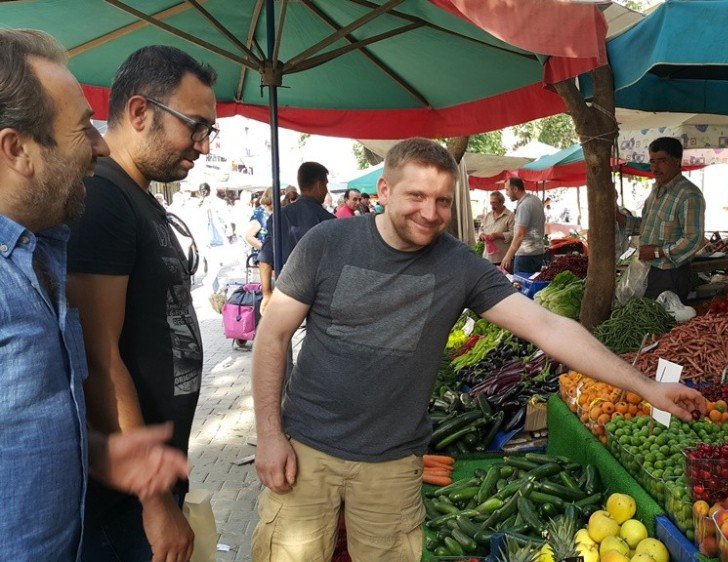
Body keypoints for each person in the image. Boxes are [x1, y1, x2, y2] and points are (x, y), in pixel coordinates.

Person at [250, 138, 705, 562]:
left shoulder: (458, 265)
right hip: (306, 449)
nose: (430, 213)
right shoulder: (327, 243)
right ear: (384, 190)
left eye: (443, 201)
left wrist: (647, 387)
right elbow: (272, 337)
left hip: (392, 464)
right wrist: (270, 434)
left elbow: (549, 327)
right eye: (416, 196)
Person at [0, 29, 190, 560]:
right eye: (83, 128)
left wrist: (98, 452)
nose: (101, 146)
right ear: (17, 150)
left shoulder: (40, 254)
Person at [66, 44, 219, 562]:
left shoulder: (138, 195)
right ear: (139, 112)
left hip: (151, 481)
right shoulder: (104, 199)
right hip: (125, 500)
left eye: (208, 131)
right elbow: (97, 357)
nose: (202, 145)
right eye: (195, 126)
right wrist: (154, 502)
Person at [616, 137, 705, 301]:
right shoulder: (656, 191)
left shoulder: (688, 195)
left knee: (665, 323)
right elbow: (645, 225)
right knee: (646, 321)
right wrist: (618, 216)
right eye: (652, 161)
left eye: (662, 161)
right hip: (648, 270)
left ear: (676, 161)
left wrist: (658, 252)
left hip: (671, 274)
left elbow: (694, 239)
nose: (655, 168)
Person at [258, 162, 333, 313]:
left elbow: (266, 259)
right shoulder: (329, 220)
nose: (326, 190)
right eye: (325, 184)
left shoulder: (277, 217)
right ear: (319, 185)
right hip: (319, 301)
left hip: (285, 296)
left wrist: (267, 294)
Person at [500, 177, 546, 274]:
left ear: (515, 189)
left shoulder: (524, 205)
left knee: (521, 286)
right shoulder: (535, 200)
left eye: (507, 189)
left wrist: (508, 256)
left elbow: (520, 235)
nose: (506, 193)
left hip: (525, 255)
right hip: (538, 252)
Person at [478, 190, 515, 265]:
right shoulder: (488, 215)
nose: (492, 206)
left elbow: (514, 234)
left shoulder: (510, 216)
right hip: (487, 258)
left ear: (501, 202)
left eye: (494, 203)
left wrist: (499, 235)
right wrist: (481, 235)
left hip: (503, 259)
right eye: (491, 203)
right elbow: (481, 229)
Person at [244, 188, 273, 262]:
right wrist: (265, 248)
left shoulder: (272, 212)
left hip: (270, 257)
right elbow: (249, 236)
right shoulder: (260, 214)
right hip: (262, 258)